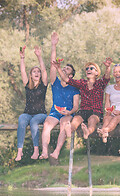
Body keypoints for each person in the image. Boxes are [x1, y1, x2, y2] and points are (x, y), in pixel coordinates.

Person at [39, 32, 80, 160]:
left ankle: (56, 151)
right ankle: (45, 151)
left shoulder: (74, 88)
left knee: (64, 124)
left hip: (68, 114)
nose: (64, 69)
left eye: (67, 69)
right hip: (55, 112)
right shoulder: (55, 83)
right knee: (46, 125)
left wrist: (70, 112)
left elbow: (76, 106)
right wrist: (53, 45)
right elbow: (52, 65)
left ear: (71, 76)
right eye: (64, 67)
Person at [52, 58, 113, 139]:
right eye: (87, 69)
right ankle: (70, 130)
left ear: (97, 73)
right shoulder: (82, 83)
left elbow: (107, 76)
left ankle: (87, 132)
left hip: (96, 111)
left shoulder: (100, 83)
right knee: (76, 120)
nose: (88, 70)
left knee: (92, 120)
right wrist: (58, 68)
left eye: (91, 68)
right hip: (83, 111)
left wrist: (108, 67)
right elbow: (66, 79)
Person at [15, 45, 48, 161]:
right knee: (21, 120)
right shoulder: (27, 84)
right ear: (31, 74)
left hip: (41, 114)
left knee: (34, 122)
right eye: (34, 71)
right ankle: (20, 151)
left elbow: (44, 70)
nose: (37, 73)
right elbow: (22, 70)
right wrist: (22, 58)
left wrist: (39, 57)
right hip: (28, 113)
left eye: (38, 71)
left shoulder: (43, 85)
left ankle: (36, 150)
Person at [97, 63, 120, 143]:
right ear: (113, 74)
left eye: (119, 72)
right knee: (106, 118)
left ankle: (104, 130)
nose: (117, 74)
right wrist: (108, 111)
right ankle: (104, 135)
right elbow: (107, 102)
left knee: (115, 119)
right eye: (115, 72)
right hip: (112, 111)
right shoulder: (109, 88)